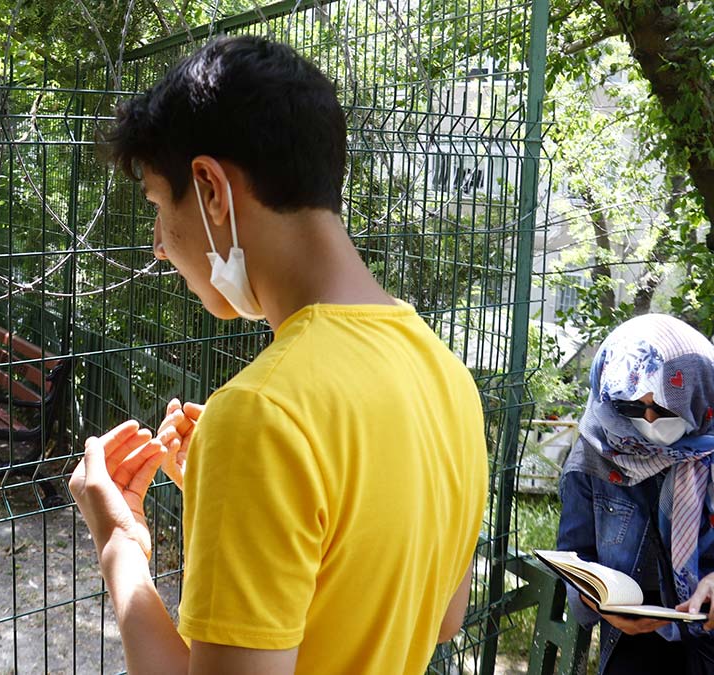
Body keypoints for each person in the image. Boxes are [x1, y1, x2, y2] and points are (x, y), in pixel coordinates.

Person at [66, 35, 488, 674]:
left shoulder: (261, 415)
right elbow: (443, 616)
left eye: (157, 205)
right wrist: (238, 489)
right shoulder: (446, 373)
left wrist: (119, 546)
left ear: (210, 189)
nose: (158, 245)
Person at [557, 313, 714, 674]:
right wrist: (600, 603)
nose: (650, 420)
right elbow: (574, 559)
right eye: (632, 407)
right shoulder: (595, 453)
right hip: (634, 639)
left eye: (663, 407)